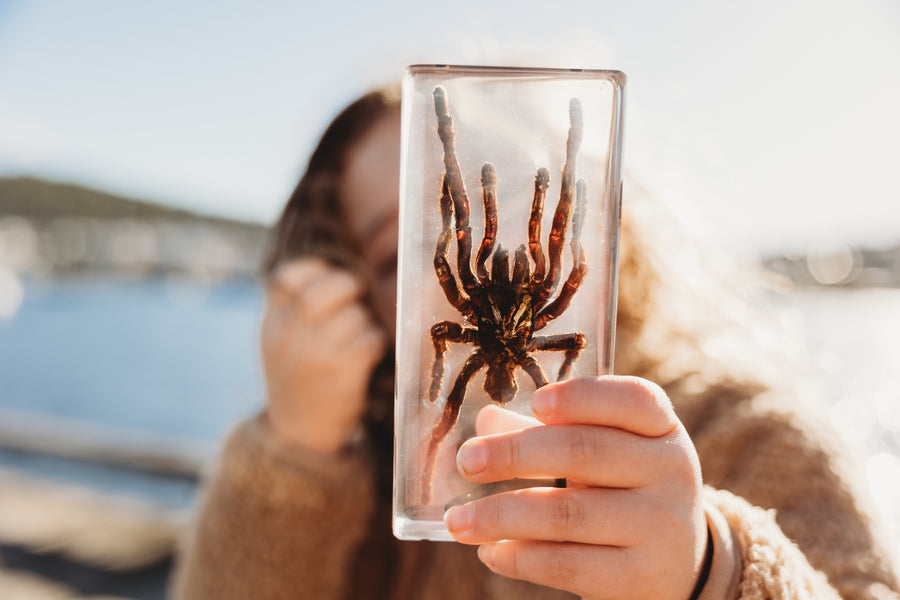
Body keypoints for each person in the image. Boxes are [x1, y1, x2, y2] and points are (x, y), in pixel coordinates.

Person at [170, 84, 900, 600]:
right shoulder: (377, 481)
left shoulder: (742, 431)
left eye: (525, 200)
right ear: (360, 305)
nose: (443, 253)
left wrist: (711, 567)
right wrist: (294, 450)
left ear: (592, 208)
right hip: (490, 350)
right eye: (399, 253)